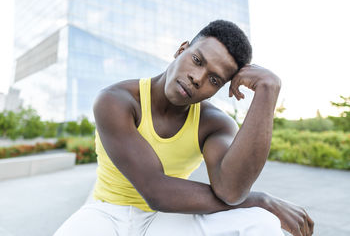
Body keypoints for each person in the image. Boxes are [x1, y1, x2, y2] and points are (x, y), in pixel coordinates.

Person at [54, 20, 314, 236]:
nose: (197, 78)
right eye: (197, 60)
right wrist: (262, 199)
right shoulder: (117, 100)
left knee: (262, 223)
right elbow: (157, 191)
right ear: (181, 50)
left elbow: (231, 191)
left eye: (214, 79)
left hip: (167, 219)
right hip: (106, 211)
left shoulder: (214, 123)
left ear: (220, 88)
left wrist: (268, 89)